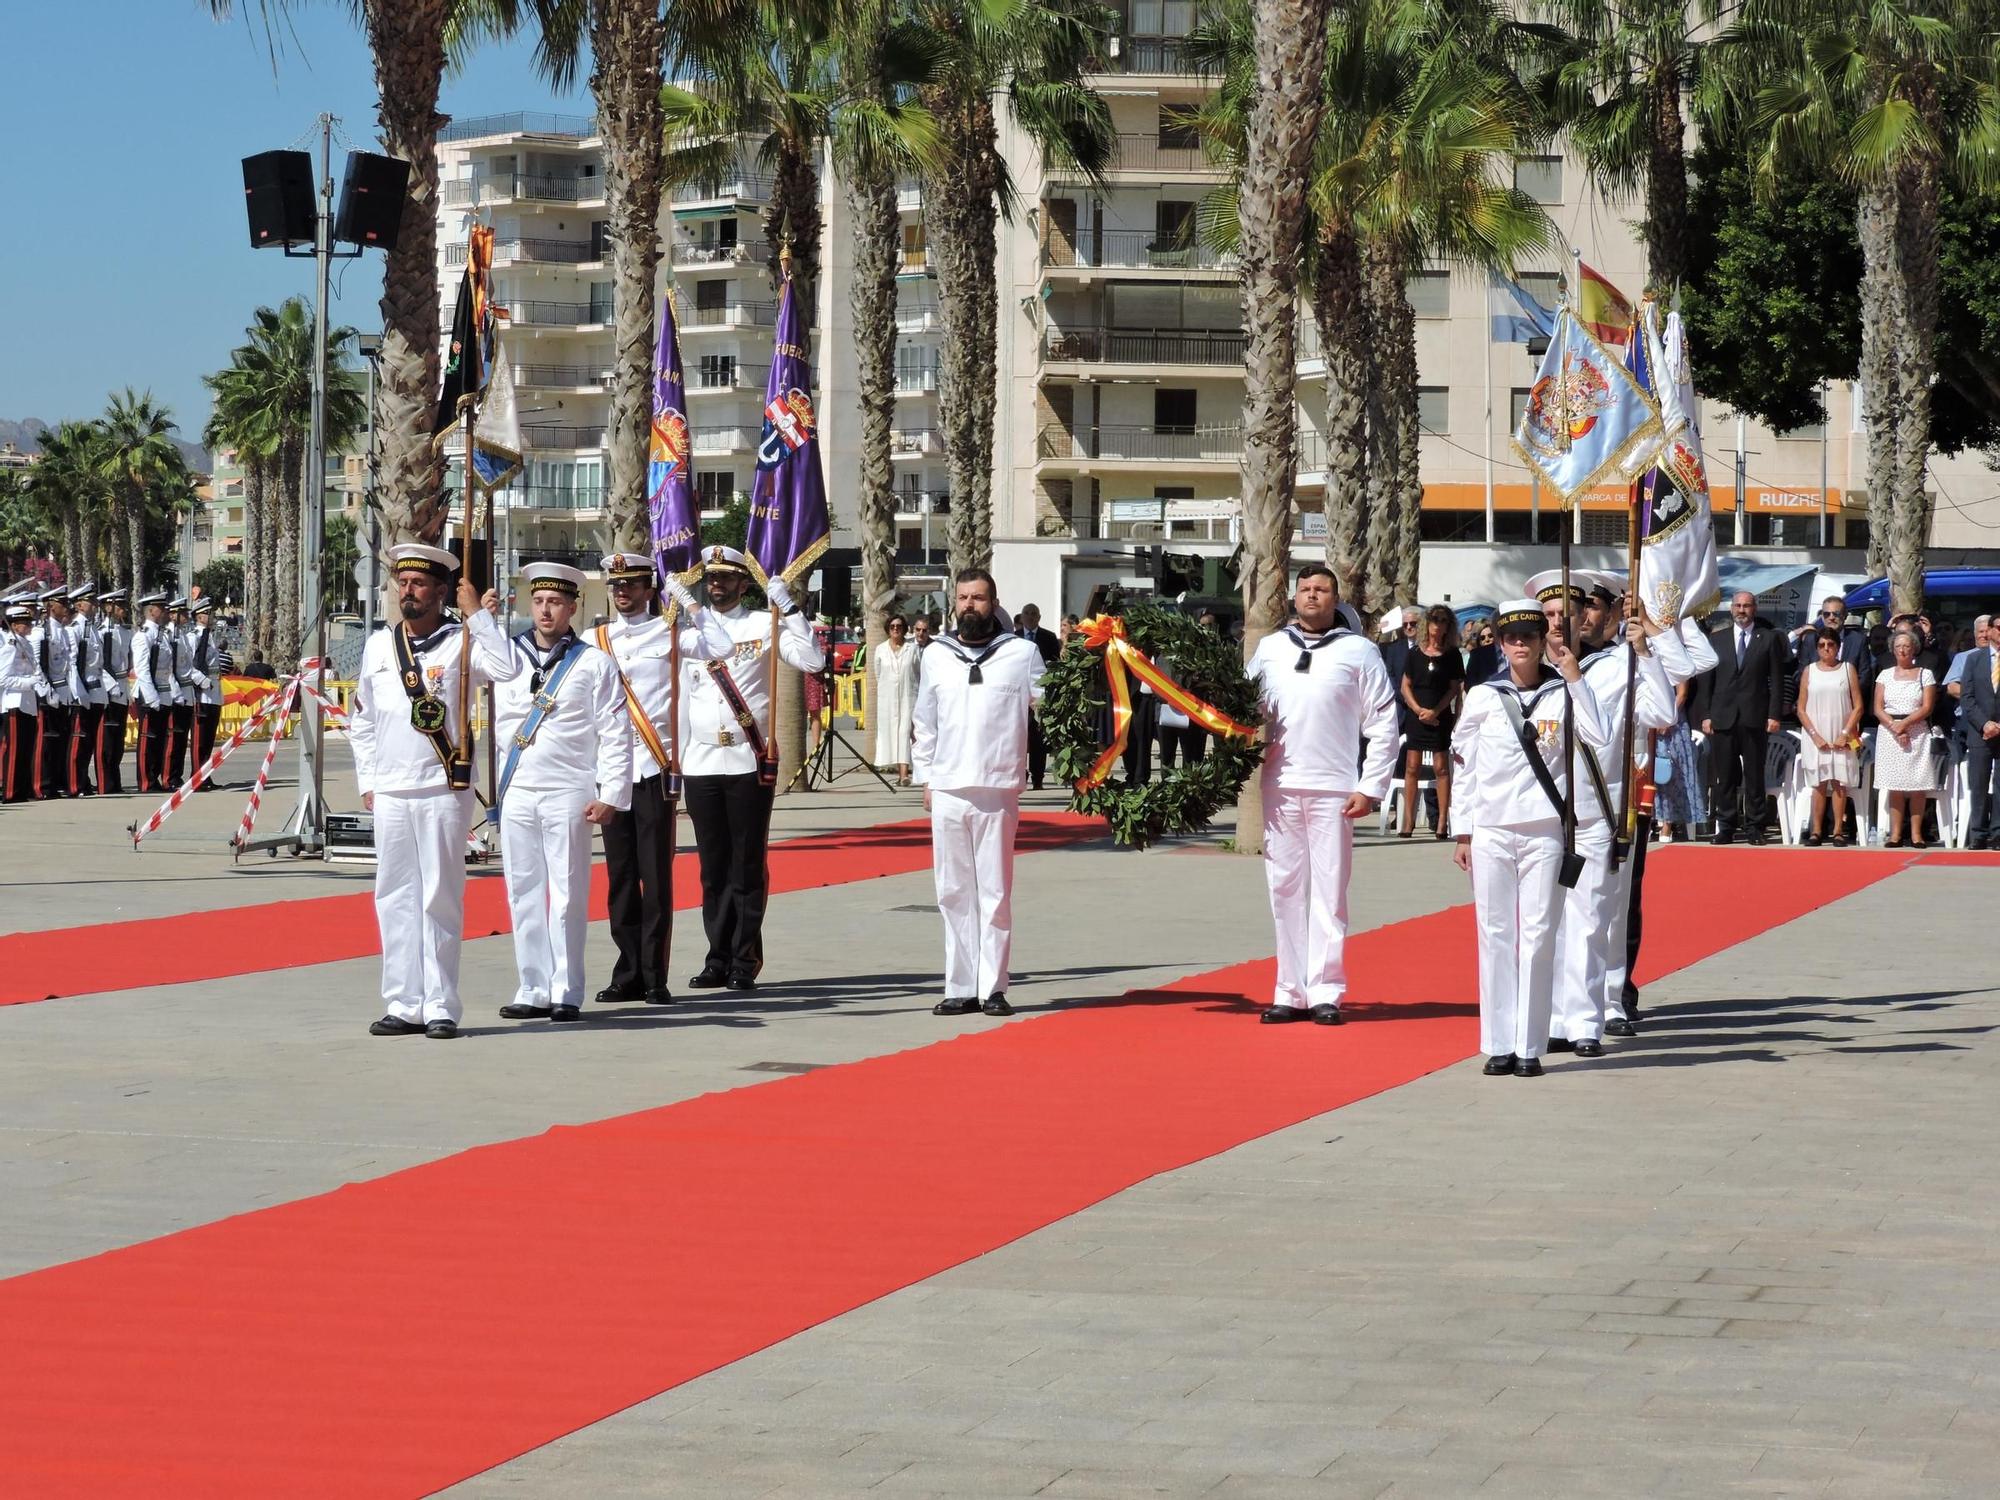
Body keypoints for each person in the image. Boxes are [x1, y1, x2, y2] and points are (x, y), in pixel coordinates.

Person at [350, 544, 518, 1039]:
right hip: (392, 790)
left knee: (439, 897)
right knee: (394, 897)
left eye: (419, 584)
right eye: (402, 583)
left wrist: (478, 619)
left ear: (440, 592)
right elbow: (362, 719)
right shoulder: (380, 645)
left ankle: (441, 1004)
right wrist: (367, 781)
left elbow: (509, 671)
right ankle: (403, 1002)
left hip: (444, 786)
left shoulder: (462, 642)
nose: (408, 591)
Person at [1451, 598, 1606, 1078]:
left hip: (1544, 830)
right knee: (1495, 934)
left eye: (1530, 637)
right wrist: (1462, 830)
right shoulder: (1482, 696)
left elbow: (1598, 737)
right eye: (1512, 638)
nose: (1521, 645)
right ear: (1500, 643)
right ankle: (1497, 1043)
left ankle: (1528, 1045)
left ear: (1543, 642)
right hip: (1492, 829)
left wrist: (1574, 675)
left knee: (1539, 937)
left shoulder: (1563, 694)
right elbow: (1465, 765)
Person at [1249, 564, 1398, 1025]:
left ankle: (1325, 990)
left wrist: (1370, 787)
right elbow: (1242, 705)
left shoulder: (1359, 651)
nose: (1313, 596)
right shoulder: (1270, 649)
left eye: (1323, 590)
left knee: (1329, 891)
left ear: (1336, 599)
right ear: (1294, 597)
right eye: (1306, 589)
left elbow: (1384, 724)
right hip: (1281, 784)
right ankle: (1288, 989)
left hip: (1335, 787)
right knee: (1285, 888)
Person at [1536, 573, 1676, 1056]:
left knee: (1595, 915)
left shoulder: (1621, 665)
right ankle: (1552, 1016)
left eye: (1568, 613)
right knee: (1546, 920)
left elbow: (1662, 714)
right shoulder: (1526, 668)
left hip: (1600, 806)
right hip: (1540, 812)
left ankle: (1588, 1017)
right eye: (1549, 615)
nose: (1559, 623)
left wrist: (1647, 652)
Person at [491, 561, 634, 1025]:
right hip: (518, 789)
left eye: (555, 602)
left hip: (568, 789)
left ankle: (566, 989)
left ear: (573, 607)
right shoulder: (506, 658)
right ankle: (531, 985)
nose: (546, 610)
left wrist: (611, 793)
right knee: (522, 891)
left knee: (568, 892)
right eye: (538, 601)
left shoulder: (594, 663)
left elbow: (615, 732)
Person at [678, 545, 824, 991]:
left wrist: (789, 606)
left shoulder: (765, 624)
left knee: (745, 863)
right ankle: (716, 956)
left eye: (726, 578)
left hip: (748, 755)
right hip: (701, 759)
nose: (717, 584)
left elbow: (813, 661)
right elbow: (682, 698)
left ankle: (745, 958)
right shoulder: (686, 630)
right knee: (711, 866)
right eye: (712, 578)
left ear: (744, 583)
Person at [591, 552, 730, 1007]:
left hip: (654, 769)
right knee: (620, 880)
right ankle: (626, 971)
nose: (622, 593)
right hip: (611, 773)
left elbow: (721, 647)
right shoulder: (596, 640)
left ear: (650, 589)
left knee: (655, 878)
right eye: (616, 585)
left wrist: (691, 604)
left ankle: (654, 975)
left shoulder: (670, 632)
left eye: (631, 584)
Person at [912, 567, 1047, 1016]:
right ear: (954, 602)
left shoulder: (1022, 653)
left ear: (994, 602)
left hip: (998, 784)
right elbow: (924, 720)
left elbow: (1050, 706)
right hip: (948, 785)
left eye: (979, 598)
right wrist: (926, 777)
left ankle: (993, 987)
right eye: (964, 598)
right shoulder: (936, 654)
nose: (970, 605)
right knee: (952, 891)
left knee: (994, 891)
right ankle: (959, 986)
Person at [1692, 590, 1785, 844]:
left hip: (1755, 717)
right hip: (1723, 717)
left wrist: (1774, 714)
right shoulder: (1717, 639)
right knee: (1726, 776)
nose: (1741, 610)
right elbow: (1706, 682)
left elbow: (1777, 680)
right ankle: (1727, 826)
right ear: (1731, 609)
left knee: (1754, 774)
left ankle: (1755, 827)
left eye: (1746, 606)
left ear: (1754, 609)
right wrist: (1706, 715)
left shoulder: (1767, 639)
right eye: (1737, 606)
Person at [1398, 603, 1464, 838]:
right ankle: (1408, 822)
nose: (1438, 625)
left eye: (1443, 620)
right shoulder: (1415, 652)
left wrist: (1435, 711)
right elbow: (1405, 685)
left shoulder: (1452, 655)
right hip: (1417, 715)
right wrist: (1418, 710)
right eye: (1434, 619)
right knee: (1412, 767)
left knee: (1441, 767)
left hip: (1439, 715)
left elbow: (1454, 689)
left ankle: (1442, 823)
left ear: (1449, 625)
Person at [1794, 627, 1864, 846]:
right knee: (1819, 783)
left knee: (1839, 782)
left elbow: (1858, 706)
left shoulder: (1847, 669)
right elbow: (1801, 708)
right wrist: (1815, 736)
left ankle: (1838, 831)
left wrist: (1845, 734)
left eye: (1830, 645)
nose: (1826, 649)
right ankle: (1816, 831)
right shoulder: (1809, 671)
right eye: (1822, 645)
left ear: (1838, 647)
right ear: (1817, 648)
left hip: (1841, 732)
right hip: (1816, 734)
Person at [1873, 628, 1938, 848]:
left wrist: (1906, 725)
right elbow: (1878, 708)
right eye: (1898, 646)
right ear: (1893, 649)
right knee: (1895, 786)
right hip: (1890, 732)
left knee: (1917, 786)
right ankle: (1895, 834)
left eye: (1906, 646)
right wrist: (1895, 727)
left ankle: (1917, 834)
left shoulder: (1924, 674)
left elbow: (1927, 707)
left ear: (1914, 649)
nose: (1902, 650)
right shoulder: (1884, 674)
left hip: (1917, 732)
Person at [31, 589, 79, 798]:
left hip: (63, 690)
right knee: (46, 742)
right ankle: (41, 785)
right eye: (61, 603)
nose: (66, 607)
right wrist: (46, 691)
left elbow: (69, 663)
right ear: (51, 606)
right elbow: (36, 666)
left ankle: (56, 782)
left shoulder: (63, 631)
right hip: (48, 692)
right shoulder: (42, 632)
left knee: (60, 741)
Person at [1958, 621, 2000, 849]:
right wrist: (1984, 724)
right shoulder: (1974, 659)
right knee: (1979, 784)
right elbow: (1967, 697)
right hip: (1979, 732)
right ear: (1991, 630)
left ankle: (1998, 834)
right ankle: (1978, 834)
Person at [3, 603, 49, 801]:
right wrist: (28, 682)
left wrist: (39, 682)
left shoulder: (26, 644)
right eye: (24, 623)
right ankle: (11, 791)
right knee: (14, 750)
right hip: (14, 701)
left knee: (26, 749)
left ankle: (22, 789)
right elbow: (3, 678)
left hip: (29, 704)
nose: (29, 626)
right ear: (14, 625)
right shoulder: (9, 647)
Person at [131, 592, 175, 793]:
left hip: (163, 692)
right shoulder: (143, 636)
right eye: (162, 608)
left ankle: (154, 777)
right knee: (148, 739)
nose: (165, 612)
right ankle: (146, 780)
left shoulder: (161, 635)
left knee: (159, 740)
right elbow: (142, 670)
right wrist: (152, 697)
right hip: (150, 695)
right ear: (151, 611)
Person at [66, 584, 106, 796]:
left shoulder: (93, 629)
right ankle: (74, 784)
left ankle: (83, 780)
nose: (94, 606)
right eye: (91, 602)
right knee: (79, 741)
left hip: (96, 690)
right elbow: (72, 664)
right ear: (80, 605)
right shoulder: (75, 629)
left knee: (89, 741)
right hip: (83, 691)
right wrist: (79, 693)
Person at [1014, 604, 1060, 790]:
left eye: (1034, 614)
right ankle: (1019, 775)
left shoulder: (1048, 638)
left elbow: (1056, 664)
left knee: (1038, 738)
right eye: (1027, 613)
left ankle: (1038, 777)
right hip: (1017, 696)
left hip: (1039, 696)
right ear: (1022, 617)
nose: (1031, 617)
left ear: (1039, 617)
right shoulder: (1013, 638)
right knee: (1018, 739)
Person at [871, 612, 920, 785]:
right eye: (892, 627)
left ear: (904, 629)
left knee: (904, 732)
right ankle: (899, 773)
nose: (896, 629)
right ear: (888, 629)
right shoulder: (880, 650)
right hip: (888, 699)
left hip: (908, 697)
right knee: (891, 733)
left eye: (899, 627)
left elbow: (917, 672)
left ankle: (904, 774)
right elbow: (878, 674)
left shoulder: (912, 649)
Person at [181, 598, 225, 787]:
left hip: (213, 692)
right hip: (201, 692)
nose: (211, 616)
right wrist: (201, 681)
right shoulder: (193, 637)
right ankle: (197, 777)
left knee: (208, 740)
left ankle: (206, 775)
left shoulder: (210, 637)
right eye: (208, 613)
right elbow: (187, 665)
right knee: (199, 740)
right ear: (199, 616)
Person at [96, 588, 133, 795]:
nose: (122, 610)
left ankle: (115, 780)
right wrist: (111, 687)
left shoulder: (124, 632)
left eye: (123, 606)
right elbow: (99, 664)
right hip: (109, 689)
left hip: (122, 687)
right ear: (109, 607)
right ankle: (105, 783)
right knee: (107, 741)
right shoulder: (103, 633)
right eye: (119, 606)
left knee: (118, 740)